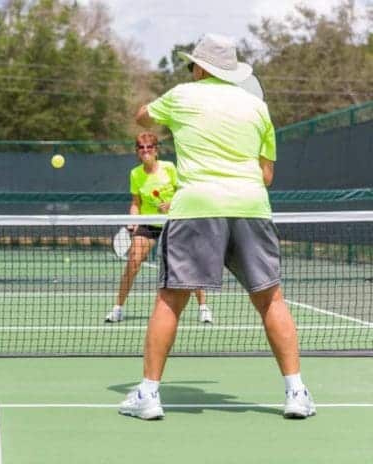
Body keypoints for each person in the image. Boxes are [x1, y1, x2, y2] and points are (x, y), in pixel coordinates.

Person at [118, 33, 315, 420]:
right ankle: (296, 392)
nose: (190, 70)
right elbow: (267, 174)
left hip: (197, 208)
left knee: (171, 299)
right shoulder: (258, 108)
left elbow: (142, 117)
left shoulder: (182, 96)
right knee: (271, 299)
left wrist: (158, 117)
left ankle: (148, 395)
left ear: (202, 67)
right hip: (251, 206)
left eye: (192, 65)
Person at [105, 132, 211, 324]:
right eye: (141, 148)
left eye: (149, 147)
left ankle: (203, 308)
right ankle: (118, 308)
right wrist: (132, 219)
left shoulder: (169, 168)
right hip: (148, 224)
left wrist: (171, 203)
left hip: (174, 222)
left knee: (188, 264)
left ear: (156, 150)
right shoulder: (135, 174)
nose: (145, 151)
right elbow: (136, 202)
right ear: (137, 151)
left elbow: (185, 192)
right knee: (134, 260)